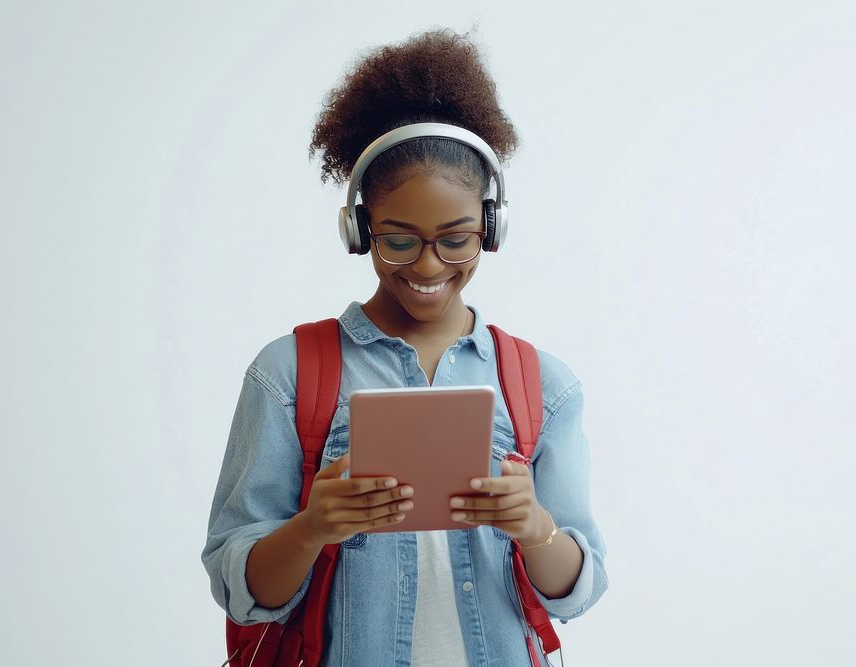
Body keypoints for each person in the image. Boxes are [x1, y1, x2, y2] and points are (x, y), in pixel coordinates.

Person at [202, 28, 608, 666]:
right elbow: (242, 590)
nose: (428, 265)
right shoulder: (285, 376)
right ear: (359, 230)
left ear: (492, 227)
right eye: (398, 238)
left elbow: (572, 592)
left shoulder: (543, 386)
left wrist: (533, 527)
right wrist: (313, 527)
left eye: (456, 238)